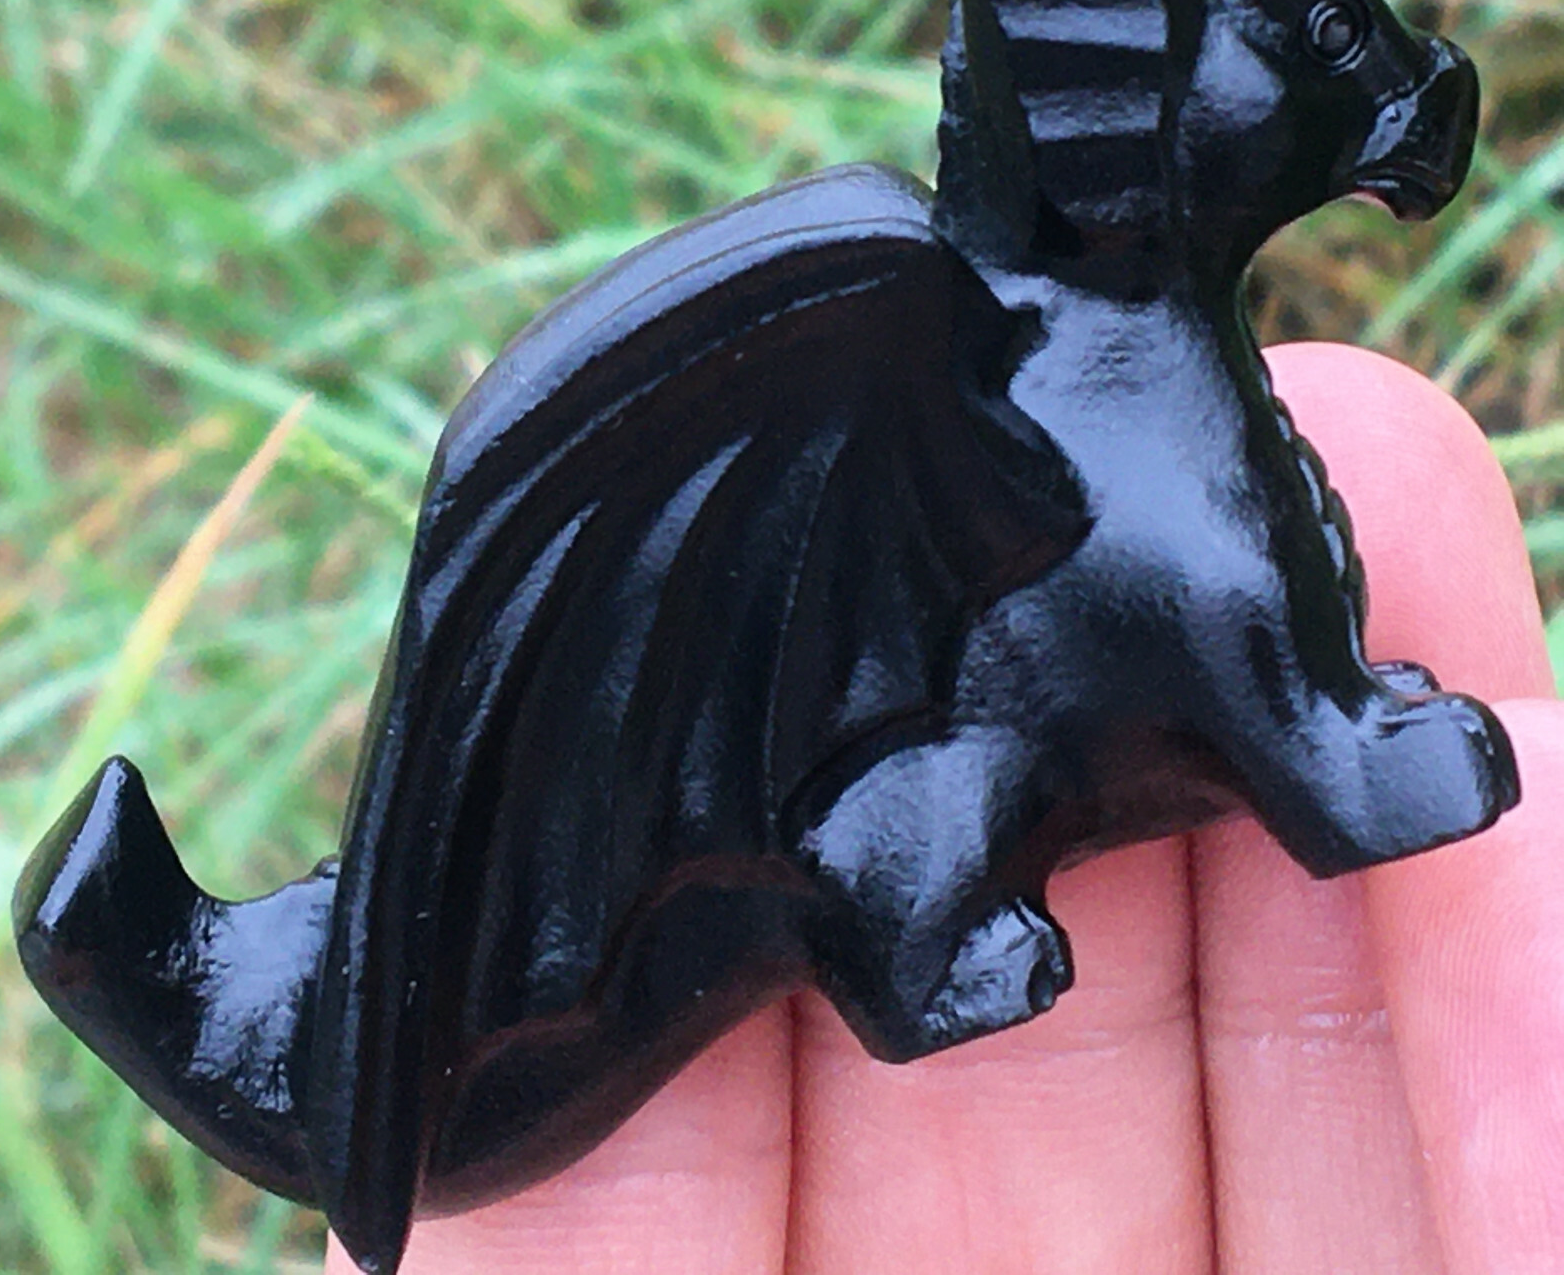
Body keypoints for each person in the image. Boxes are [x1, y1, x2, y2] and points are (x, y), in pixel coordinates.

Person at [327, 342, 1563, 1275]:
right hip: (881, 807)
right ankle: (899, 958)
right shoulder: (1027, 385)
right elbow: (1261, 698)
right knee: (934, 796)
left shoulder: (1135, 399)